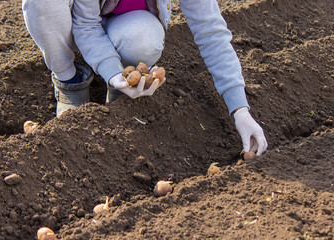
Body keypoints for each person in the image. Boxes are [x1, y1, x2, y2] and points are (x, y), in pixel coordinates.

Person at [21, 0, 268, 156]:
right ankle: (70, 79)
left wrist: (240, 110)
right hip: (69, 17)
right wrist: (108, 68)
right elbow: (86, 25)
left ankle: (123, 84)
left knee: (143, 40)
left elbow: (211, 32)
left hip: (126, 24)